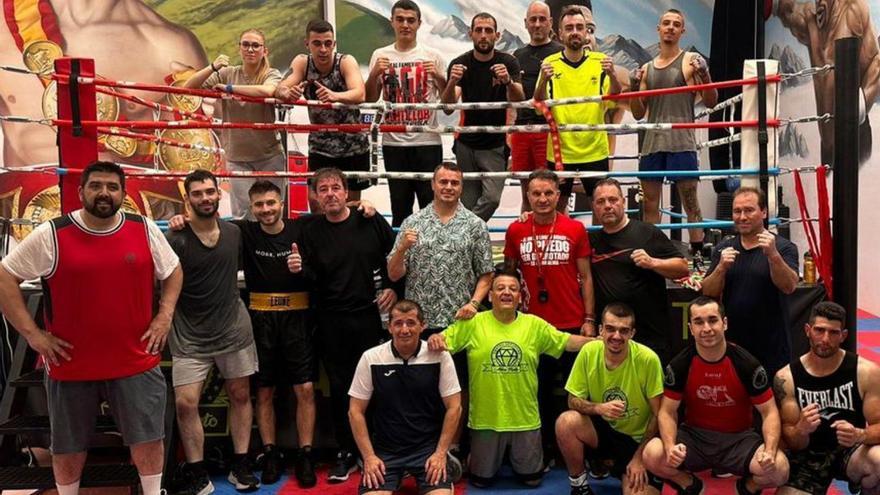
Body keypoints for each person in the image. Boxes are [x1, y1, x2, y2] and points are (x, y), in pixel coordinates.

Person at [0, 161, 182, 495]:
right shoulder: (53, 234)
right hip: (71, 365)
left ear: (123, 194)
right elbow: (5, 277)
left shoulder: (143, 228)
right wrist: (32, 334)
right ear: (81, 191)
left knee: (148, 438)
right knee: (68, 446)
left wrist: (164, 314)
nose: (104, 193)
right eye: (96, 185)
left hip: (135, 360)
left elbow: (172, 270)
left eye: (112, 187)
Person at [167, 180, 318, 487]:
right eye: (259, 205)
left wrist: (362, 208)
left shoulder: (301, 229)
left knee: (304, 389)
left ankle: (305, 454)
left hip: (297, 319)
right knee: (262, 392)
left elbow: (336, 218)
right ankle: (270, 453)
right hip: (259, 318)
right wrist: (179, 218)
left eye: (271, 203)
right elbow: (203, 223)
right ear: (251, 208)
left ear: (282, 202)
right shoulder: (242, 231)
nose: (266, 209)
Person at [427, 267, 589, 488]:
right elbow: (442, 341)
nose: (506, 293)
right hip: (485, 421)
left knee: (532, 481)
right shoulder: (473, 323)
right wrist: (435, 337)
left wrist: (600, 342)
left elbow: (567, 341)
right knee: (480, 482)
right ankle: (473, 457)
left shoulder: (534, 324)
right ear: (491, 295)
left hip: (525, 420)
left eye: (513, 289)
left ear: (520, 296)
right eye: (500, 288)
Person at [0, 0, 207, 167]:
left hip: (124, 212)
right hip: (24, 212)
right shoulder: (7, 21)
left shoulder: (169, 47)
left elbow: (192, 163)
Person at [289, 167, 398, 482]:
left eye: (335, 187)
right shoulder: (308, 230)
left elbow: (395, 259)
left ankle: (375, 450)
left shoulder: (369, 220)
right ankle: (347, 451)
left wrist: (393, 288)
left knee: (375, 385)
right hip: (329, 320)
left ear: (347, 192)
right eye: (323, 189)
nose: (330, 194)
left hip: (367, 316)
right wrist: (299, 269)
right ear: (316, 196)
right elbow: (311, 277)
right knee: (340, 389)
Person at [166, 169, 260, 494]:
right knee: (185, 403)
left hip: (233, 330)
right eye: (198, 193)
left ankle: (242, 465)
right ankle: (197, 472)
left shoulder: (234, 233)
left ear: (219, 194)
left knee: (240, 395)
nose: (205, 198)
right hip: (190, 336)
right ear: (187, 199)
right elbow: (162, 284)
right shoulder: (175, 238)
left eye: (209, 192)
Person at [642, 296, 789, 495]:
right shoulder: (680, 365)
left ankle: (747, 487)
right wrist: (670, 447)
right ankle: (688, 483)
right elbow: (667, 412)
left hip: (739, 440)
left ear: (724, 323)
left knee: (780, 470)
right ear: (690, 328)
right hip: (694, 439)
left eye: (712, 320)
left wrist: (770, 451)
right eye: (698, 322)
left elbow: (770, 411)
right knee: (652, 454)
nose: (706, 328)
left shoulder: (747, 364)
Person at [504, 169, 595, 460]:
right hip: (532, 327)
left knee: (577, 395)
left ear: (558, 195)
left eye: (548, 193)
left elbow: (587, 276)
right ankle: (541, 452)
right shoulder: (516, 230)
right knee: (537, 394)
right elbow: (508, 276)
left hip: (571, 323)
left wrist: (589, 319)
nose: (542, 199)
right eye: (536, 194)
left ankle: (580, 451)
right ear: (527, 196)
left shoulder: (575, 229)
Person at [349, 299, 462, 495]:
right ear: (389, 327)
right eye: (398, 323)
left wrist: (440, 453)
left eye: (410, 323)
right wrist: (369, 457)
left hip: (428, 450)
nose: (404, 329)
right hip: (385, 452)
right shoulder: (371, 357)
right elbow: (355, 411)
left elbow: (455, 407)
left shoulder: (440, 356)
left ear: (422, 326)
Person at [629, 9, 717, 256]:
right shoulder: (646, 68)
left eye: (676, 24)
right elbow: (637, 112)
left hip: (682, 142)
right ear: (658, 28)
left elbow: (711, 101)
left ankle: (698, 253)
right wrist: (635, 87)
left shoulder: (690, 62)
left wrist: (705, 74)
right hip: (653, 143)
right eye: (666, 23)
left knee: (690, 202)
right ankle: (650, 253)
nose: (670, 27)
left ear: (682, 31)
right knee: (649, 205)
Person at [556, 303, 664, 495]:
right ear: (600, 330)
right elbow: (572, 400)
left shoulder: (648, 359)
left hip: (636, 441)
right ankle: (579, 486)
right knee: (566, 421)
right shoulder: (589, 351)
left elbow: (659, 415)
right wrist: (599, 408)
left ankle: (629, 468)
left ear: (632, 333)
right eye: (610, 329)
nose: (616, 336)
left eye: (623, 331)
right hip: (603, 432)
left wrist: (639, 458)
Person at [774, 301, 880, 495]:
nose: (825, 339)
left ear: (843, 336)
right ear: (807, 330)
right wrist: (800, 430)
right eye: (819, 330)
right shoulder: (787, 378)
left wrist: (860, 435)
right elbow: (790, 439)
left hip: (851, 451)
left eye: (833, 333)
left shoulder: (866, 372)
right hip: (807, 457)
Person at [184, 29, 285, 219]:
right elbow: (188, 87)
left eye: (256, 45)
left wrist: (230, 89)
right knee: (244, 213)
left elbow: (268, 91)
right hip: (237, 155)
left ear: (265, 51)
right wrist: (212, 66)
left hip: (269, 154)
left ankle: (273, 249)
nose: (251, 49)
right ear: (239, 48)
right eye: (246, 44)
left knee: (273, 210)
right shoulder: (227, 72)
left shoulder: (271, 73)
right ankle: (245, 250)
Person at [365, 0, 446, 227]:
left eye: (411, 20)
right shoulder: (380, 55)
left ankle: (430, 260)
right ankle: (399, 261)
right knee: (400, 207)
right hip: (394, 142)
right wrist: (373, 75)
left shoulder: (432, 55)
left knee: (431, 208)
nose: (405, 25)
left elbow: (449, 102)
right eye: (400, 19)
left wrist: (439, 76)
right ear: (392, 22)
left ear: (419, 24)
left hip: (427, 140)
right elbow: (369, 99)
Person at [701, 186, 798, 376]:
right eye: (737, 211)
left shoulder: (783, 247)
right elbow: (708, 292)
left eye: (749, 210)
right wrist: (721, 268)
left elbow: (789, 286)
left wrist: (773, 256)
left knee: (773, 402)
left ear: (763, 212)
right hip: (733, 344)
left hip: (772, 345)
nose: (742, 217)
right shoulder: (724, 248)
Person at [589, 178, 688, 363]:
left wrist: (653, 263)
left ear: (623, 202)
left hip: (649, 337)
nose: (608, 206)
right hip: (612, 339)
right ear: (594, 206)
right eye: (601, 202)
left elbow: (682, 268)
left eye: (613, 200)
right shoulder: (592, 240)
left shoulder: (647, 232)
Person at [276, 19, 370, 211]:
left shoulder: (345, 61)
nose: (323, 49)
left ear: (334, 44)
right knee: (316, 203)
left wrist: (334, 96)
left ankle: (347, 242)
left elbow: (359, 93)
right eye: (317, 43)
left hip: (352, 146)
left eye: (328, 43)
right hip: (320, 145)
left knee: (350, 207)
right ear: (307, 44)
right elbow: (281, 88)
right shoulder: (303, 62)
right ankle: (320, 241)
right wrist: (288, 93)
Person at [773, 0, 879, 165]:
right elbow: (788, 12)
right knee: (825, 188)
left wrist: (861, 103)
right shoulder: (811, 19)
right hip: (827, 145)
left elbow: (876, 63)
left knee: (851, 186)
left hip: (855, 136)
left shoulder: (854, 9)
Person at [441, 12, 525, 222]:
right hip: (466, 144)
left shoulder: (508, 62)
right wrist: (451, 82)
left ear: (496, 35)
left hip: (495, 144)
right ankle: (470, 246)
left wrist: (507, 81)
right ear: (471, 34)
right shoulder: (460, 63)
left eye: (488, 31)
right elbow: (448, 107)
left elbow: (519, 100)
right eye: (479, 30)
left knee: (492, 198)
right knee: (468, 202)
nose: (483, 35)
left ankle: (459, 231)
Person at [534, 6, 620, 210]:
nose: (575, 31)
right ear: (560, 33)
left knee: (601, 204)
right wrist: (543, 80)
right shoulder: (549, 63)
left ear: (586, 32)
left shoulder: (601, 62)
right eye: (569, 27)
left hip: (595, 148)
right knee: (556, 204)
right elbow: (539, 106)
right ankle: (563, 242)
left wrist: (613, 75)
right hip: (560, 150)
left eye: (579, 27)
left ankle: (599, 244)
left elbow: (613, 101)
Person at [511, 1, 563, 212]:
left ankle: (557, 239)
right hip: (522, 129)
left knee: (552, 191)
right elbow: (512, 99)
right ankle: (527, 241)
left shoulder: (561, 53)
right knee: (527, 191)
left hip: (550, 130)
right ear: (526, 23)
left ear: (550, 22)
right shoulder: (517, 56)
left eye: (542, 19)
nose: (538, 24)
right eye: (533, 19)